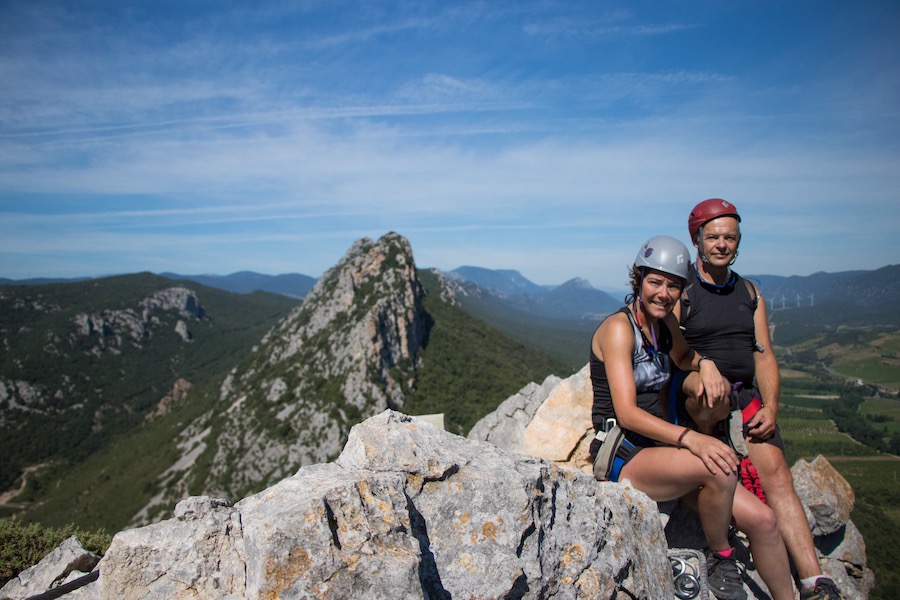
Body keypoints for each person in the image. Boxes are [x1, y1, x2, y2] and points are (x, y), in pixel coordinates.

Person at [590, 235, 794, 600]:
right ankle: (720, 555)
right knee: (720, 467)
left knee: (764, 521)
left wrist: (707, 363)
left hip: (665, 450)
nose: (663, 293)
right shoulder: (620, 329)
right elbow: (627, 413)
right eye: (655, 282)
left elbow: (685, 358)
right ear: (638, 281)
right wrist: (692, 438)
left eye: (673, 285)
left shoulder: (663, 324)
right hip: (627, 454)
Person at [673, 199, 843, 600]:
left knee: (779, 478)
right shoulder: (683, 292)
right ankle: (710, 448)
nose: (721, 244)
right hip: (700, 396)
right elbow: (673, 351)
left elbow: (763, 354)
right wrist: (704, 364)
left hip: (745, 398)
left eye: (729, 237)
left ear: (738, 241)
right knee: (705, 391)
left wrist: (772, 406)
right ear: (696, 240)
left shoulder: (750, 294)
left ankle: (815, 582)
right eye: (712, 236)